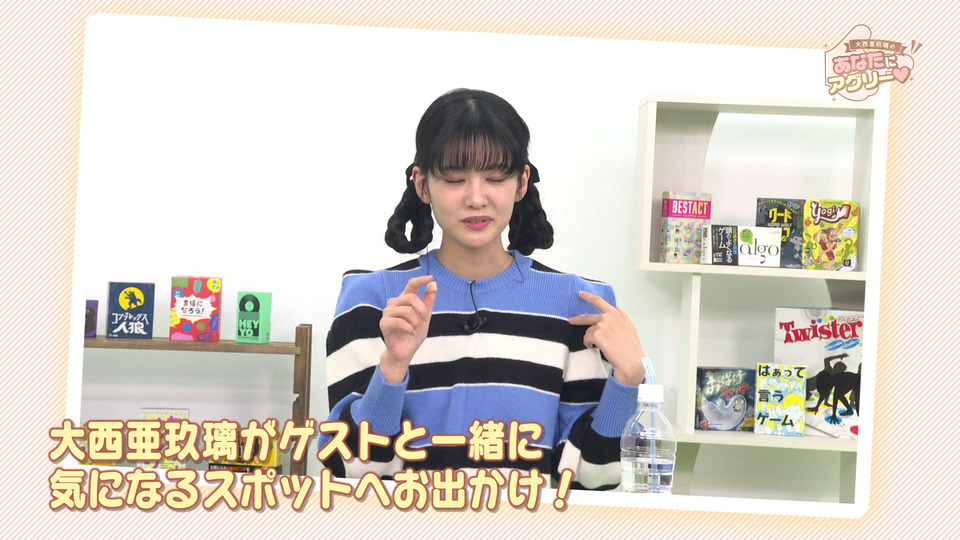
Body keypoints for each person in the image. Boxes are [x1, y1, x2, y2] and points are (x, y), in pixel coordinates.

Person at [322, 88, 647, 490]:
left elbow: (592, 478)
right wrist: (392, 368)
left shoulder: (577, 305)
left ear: (522, 182)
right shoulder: (371, 301)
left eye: (495, 178)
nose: (476, 199)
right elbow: (349, 471)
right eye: (454, 179)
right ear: (422, 184)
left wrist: (628, 378)